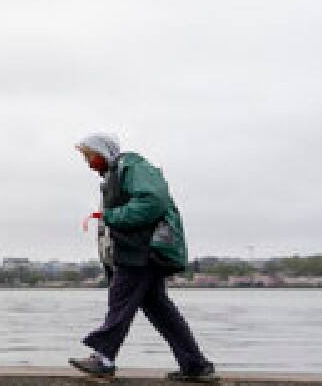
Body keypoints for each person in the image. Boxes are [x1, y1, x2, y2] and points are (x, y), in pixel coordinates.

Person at [68, 133, 218, 383]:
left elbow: (153, 201)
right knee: (161, 311)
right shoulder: (120, 172)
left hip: (141, 253)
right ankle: (195, 366)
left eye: (89, 156)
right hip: (141, 253)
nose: (88, 163)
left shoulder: (132, 166)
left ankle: (103, 359)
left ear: (103, 152)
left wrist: (112, 216)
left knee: (120, 301)